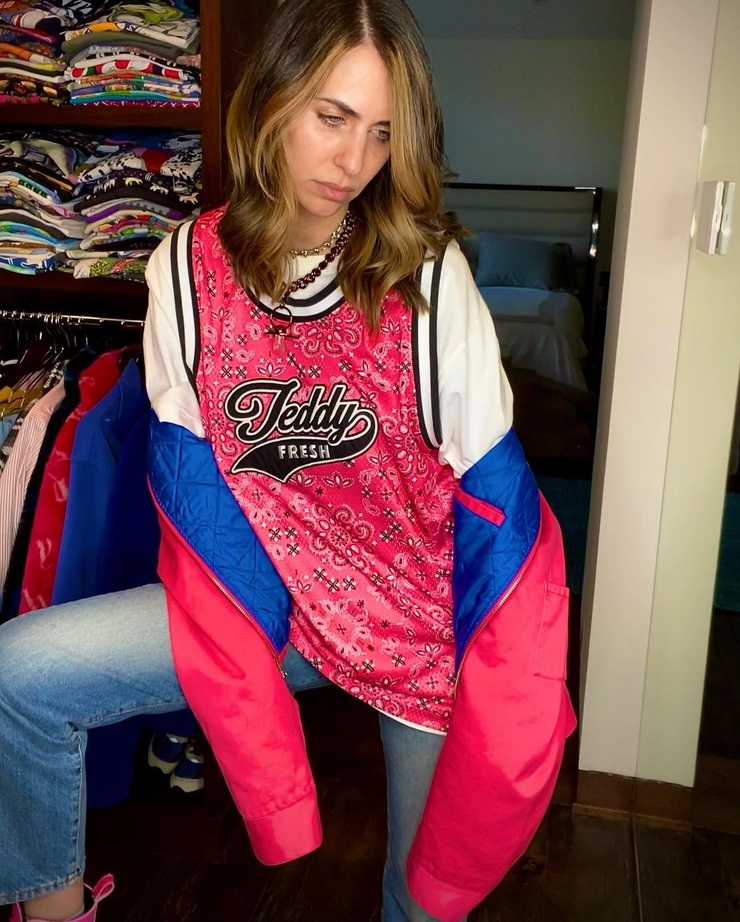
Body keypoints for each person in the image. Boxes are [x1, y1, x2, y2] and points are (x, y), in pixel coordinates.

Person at [0, 1, 576, 920]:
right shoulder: (185, 268)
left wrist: (509, 700)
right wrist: (266, 759)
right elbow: (194, 493)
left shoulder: (427, 277)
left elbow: (498, 512)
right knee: (20, 676)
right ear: (271, 99)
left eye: (381, 133)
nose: (353, 162)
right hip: (260, 604)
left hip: (416, 627)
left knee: (422, 899)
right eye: (332, 117)